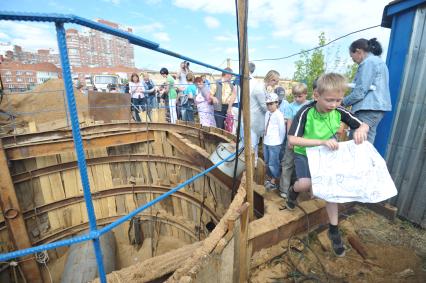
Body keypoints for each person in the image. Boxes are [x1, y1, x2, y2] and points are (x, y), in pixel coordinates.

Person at [286, 73, 369, 257]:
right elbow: (292, 139)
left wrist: (361, 131)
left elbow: (363, 125)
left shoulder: (339, 111)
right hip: (305, 154)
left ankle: (333, 229)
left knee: (332, 191)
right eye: (329, 100)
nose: (334, 105)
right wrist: (321, 142)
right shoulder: (306, 112)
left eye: (338, 100)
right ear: (316, 95)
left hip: (327, 155)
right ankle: (293, 190)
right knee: (306, 183)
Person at [343, 38, 391, 144]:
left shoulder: (369, 62)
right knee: (366, 142)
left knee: (357, 142)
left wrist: (342, 102)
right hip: (375, 109)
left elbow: (360, 91)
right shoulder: (378, 62)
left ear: (359, 51)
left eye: (352, 56)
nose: (353, 60)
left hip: (367, 109)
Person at [279, 83, 311, 198]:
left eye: (300, 96)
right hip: (294, 139)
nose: (297, 99)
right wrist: (289, 139)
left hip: (306, 140)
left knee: (304, 164)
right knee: (288, 163)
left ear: (305, 95)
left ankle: (300, 187)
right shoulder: (290, 106)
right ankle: (284, 188)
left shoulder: (310, 105)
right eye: (295, 96)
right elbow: (289, 123)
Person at [250, 70, 280, 164]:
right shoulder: (259, 89)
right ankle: (252, 164)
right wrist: (278, 114)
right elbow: (265, 107)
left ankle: (254, 163)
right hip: (254, 120)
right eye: (276, 82)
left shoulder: (263, 88)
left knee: (255, 143)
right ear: (272, 79)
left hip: (257, 120)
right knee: (253, 144)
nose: (276, 84)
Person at [263, 92, 286, 190]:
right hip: (266, 141)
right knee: (267, 161)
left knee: (273, 163)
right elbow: (265, 125)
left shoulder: (279, 115)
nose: (269, 106)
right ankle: (270, 177)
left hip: (275, 143)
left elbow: (282, 130)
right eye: (267, 104)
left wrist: (279, 142)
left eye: (271, 103)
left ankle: (274, 181)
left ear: (277, 103)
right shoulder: (267, 113)